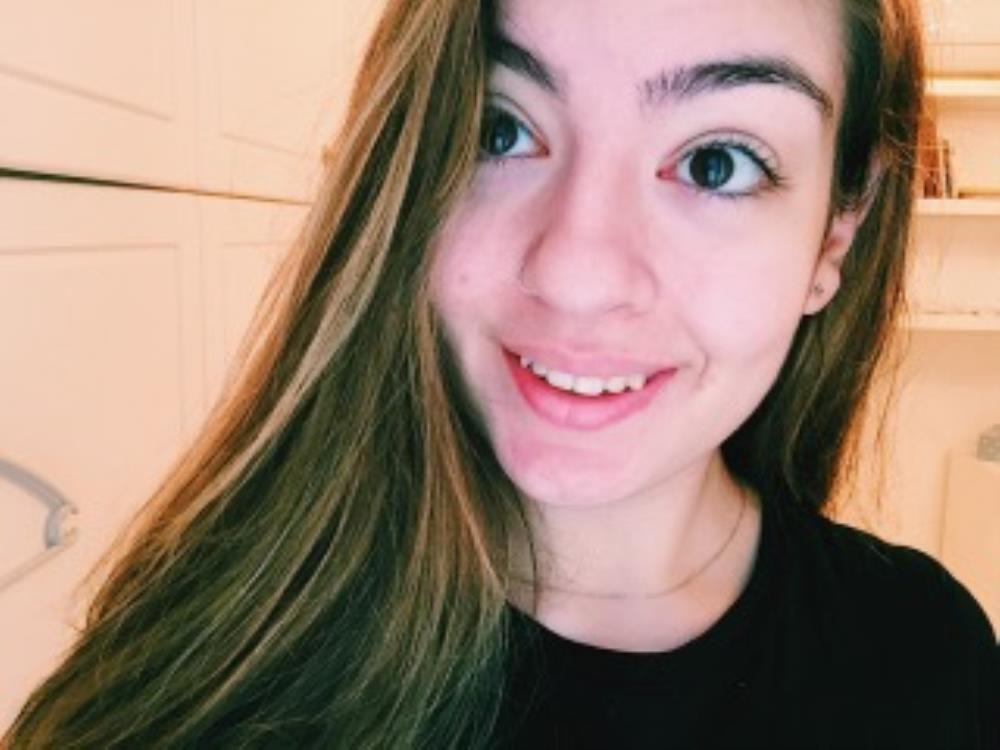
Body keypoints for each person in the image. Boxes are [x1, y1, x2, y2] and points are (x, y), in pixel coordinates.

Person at [4, 0, 997, 747]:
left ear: (835, 233)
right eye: (499, 130)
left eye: (717, 164)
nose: (575, 272)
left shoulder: (928, 659)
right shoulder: (203, 681)